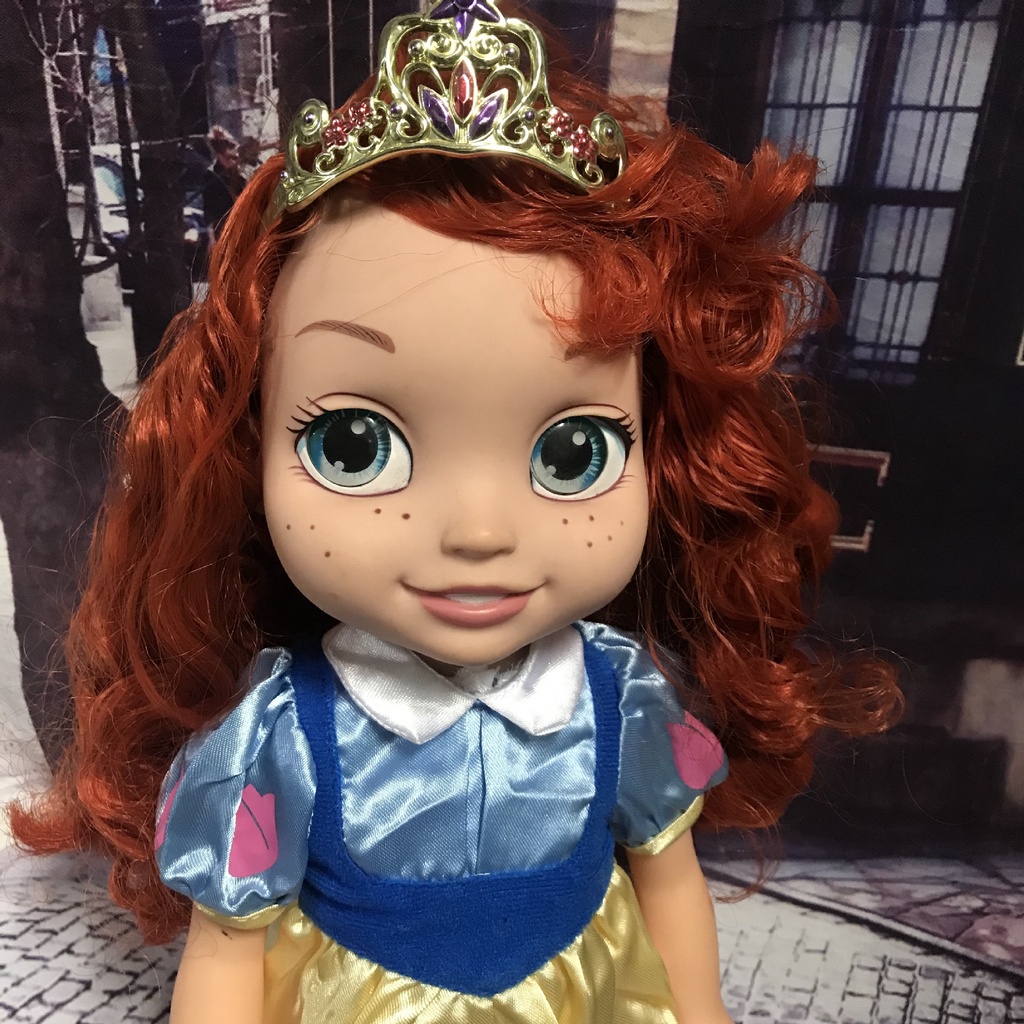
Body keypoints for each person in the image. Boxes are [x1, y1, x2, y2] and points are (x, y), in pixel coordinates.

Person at [11, 2, 900, 1021]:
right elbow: (225, 955)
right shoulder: (282, 736)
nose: (479, 532)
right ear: (244, 449)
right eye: (354, 445)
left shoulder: (620, 700)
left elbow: (670, 882)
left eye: (572, 452)